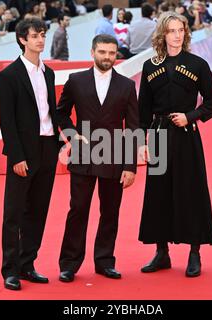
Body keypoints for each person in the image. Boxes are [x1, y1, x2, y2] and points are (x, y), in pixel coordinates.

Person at [138, 11, 212, 277]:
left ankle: (195, 253)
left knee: (191, 192)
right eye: (171, 31)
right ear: (162, 34)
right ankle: (161, 252)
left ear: (185, 33)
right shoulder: (150, 66)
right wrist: (141, 142)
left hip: (187, 136)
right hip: (159, 135)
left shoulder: (198, 64)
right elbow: (143, 111)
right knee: (158, 194)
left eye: (180, 30)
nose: (176, 35)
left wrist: (190, 116)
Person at [56, 34, 139, 283]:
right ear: (92, 52)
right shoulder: (76, 81)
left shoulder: (126, 86)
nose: (107, 57)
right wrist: (72, 135)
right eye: (102, 52)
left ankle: (104, 262)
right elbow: (60, 113)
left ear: (117, 55)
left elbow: (133, 128)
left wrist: (130, 166)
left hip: (115, 156)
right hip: (83, 155)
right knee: (78, 209)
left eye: (112, 53)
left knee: (110, 211)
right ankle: (69, 264)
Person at [0, 18, 61, 291]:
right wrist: (16, 157)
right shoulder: (8, 76)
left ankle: (27, 263)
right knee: (13, 213)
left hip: (48, 148)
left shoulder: (49, 73)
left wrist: (60, 140)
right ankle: (10, 270)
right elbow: (7, 122)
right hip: (23, 153)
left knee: (38, 211)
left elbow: (51, 111)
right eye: (35, 35)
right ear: (23, 39)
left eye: (43, 35)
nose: (40, 40)